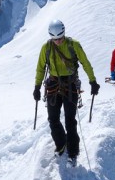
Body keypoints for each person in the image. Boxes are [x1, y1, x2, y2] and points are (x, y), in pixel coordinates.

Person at [33, 19, 99, 161]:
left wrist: (92, 80)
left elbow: (85, 63)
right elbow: (40, 68)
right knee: (53, 119)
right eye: (54, 39)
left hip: (70, 85)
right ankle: (61, 143)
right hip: (53, 85)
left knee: (70, 120)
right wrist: (37, 87)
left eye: (60, 38)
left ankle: (73, 150)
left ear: (64, 34)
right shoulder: (47, 47)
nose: (57, 41)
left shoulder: (73, 45)